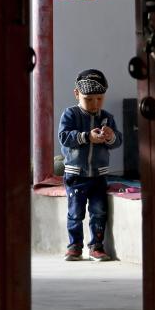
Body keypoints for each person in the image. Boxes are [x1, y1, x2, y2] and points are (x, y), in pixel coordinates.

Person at [58, 69, 123, 261]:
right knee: (75, 212)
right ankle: (74, 246)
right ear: (77, 94)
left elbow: (118, 141)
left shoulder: (107, 117)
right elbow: (64, 138)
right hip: (75, 174)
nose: (95, 104)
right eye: (89, 99)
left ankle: (96, 246)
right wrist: (87, 137)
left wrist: (111, 137)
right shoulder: (70, 114)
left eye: (99, 98)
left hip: (98, 175)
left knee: (98, 211)